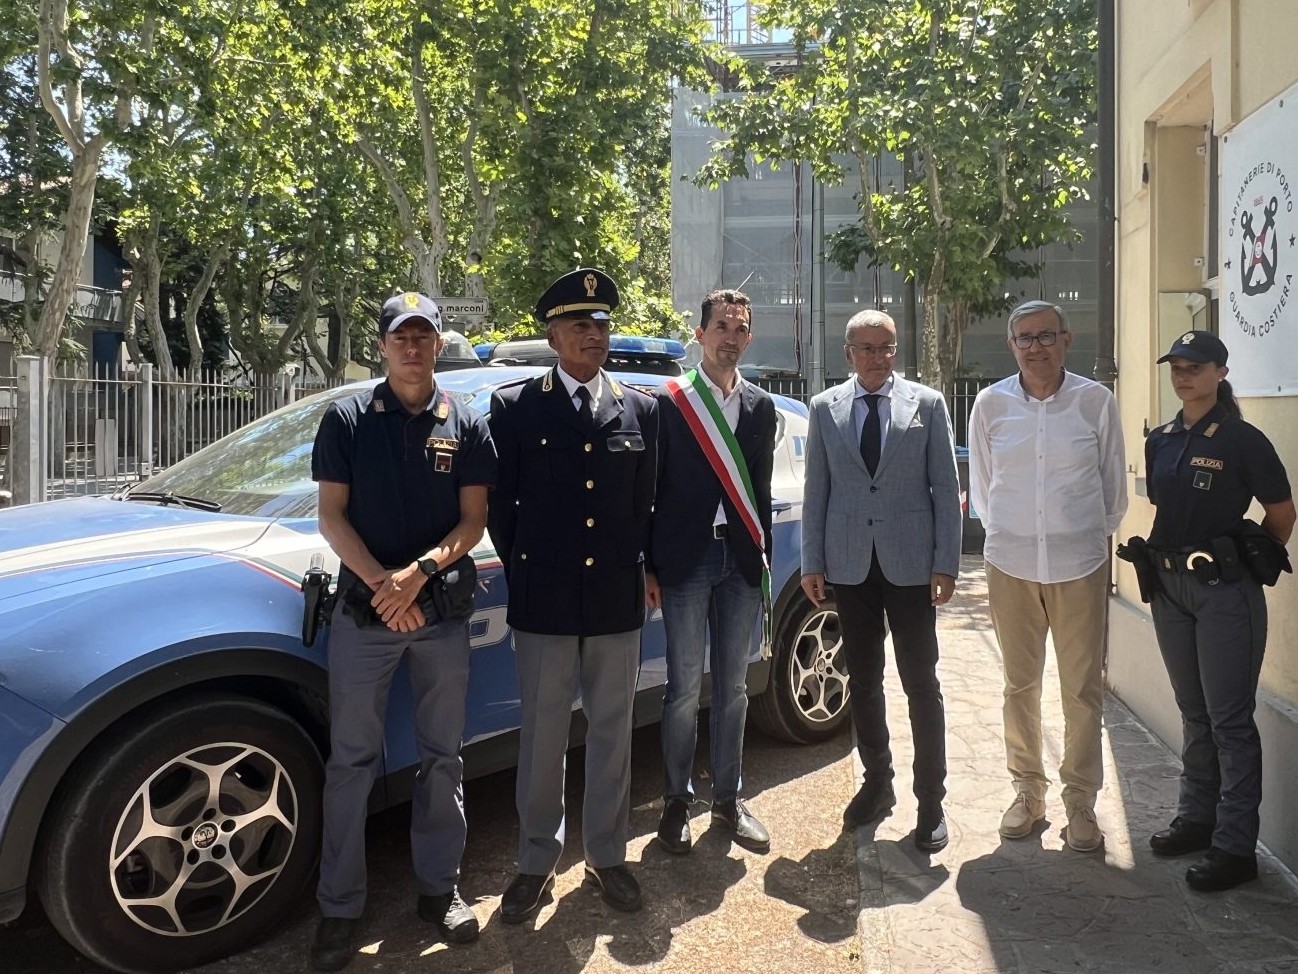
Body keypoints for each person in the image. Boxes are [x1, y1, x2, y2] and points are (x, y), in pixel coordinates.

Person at [309, 292, 497, 971]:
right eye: (400, 336)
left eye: (423, 336)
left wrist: (416, 575)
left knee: (443, 756)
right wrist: (383, 587)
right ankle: (339, 908)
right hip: (367, 616)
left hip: (438, 614)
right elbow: (332, 516)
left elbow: (472, 522)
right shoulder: (348, 418)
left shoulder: (465, 421)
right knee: (351, 762)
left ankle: (440, 890)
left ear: (439, 344)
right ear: (383, 345)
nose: (412, 347)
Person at [488, 267, 659, 920]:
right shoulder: (515, 407)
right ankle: (536, 862)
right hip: (546, 597)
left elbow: (645, 504)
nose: (596, 336)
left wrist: (642, 567)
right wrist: (530, 568)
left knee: (613, 733)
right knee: (543, 738)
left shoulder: (641, 409)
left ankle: (607, 856)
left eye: (603, 325)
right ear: (554, 336)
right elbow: (502, 508)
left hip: (615, 595)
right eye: (581, 325)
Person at [968, 300, 1128, 852]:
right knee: (1019, 686)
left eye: (1046, 336)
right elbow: (984, 489)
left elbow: (1113, 492)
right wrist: (1010, 535)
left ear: (1066, 339)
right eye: (1025, 338)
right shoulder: (990, 404)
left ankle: (1080, 801)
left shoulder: (1095, 402)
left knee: (1082, 689)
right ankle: (1028, 792)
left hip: (1079, 566)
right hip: (1010, 564)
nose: (1035, 347)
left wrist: (1079, 538)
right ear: (1011, 345)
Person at [800, 309, 961, 852]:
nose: (878, 357)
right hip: (850, 565)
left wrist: (945, 563)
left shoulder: (927, 404)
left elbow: (945, 489)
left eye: (887, 347)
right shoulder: (824, 408)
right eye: (867, 348)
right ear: (849, 353)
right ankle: (877, 782)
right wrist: (812, 562)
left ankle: (931, 800)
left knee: (921, 683)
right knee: (864, 681)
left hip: (911, 566)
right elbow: (817, 491)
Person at [1142, 330, 1294, 891]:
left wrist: (1246, 561)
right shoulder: (1161, 440)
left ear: (1221, 373)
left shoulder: (1242, 439)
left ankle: (1234, 847)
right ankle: (1197, 819)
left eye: (1196, 367)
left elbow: (1282, 513)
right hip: (1170, 588)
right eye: (1177, 367)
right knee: (1194, 712)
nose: (1184, 376)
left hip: (1223, 593)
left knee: (1229, 719)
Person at [645, 288, 777, 856]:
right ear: (700, 335)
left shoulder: (761, 407)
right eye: (721, 326)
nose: (731, 337)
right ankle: (677, 800)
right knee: (682, 688)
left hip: (740, 561)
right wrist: (649, 564)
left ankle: (728, 798)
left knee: (734, 687)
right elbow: (648, 491)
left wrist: (763, 558)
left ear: (749, 337)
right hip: (685, 560)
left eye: (740, 328)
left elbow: (761, 493)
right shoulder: (669, 403)